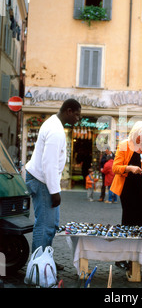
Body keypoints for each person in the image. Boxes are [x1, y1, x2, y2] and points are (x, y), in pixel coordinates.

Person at [25, 99, 81, 258]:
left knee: (52, 224)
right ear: (68, 111)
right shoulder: (55, 130)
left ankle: (45, 260)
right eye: (77, 115)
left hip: (42, 180)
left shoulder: (54, 124)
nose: (78, 119)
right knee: (45, 225)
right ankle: (38, 266)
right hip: (42, 181)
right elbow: (48, 163)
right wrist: (55, 192)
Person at [110, 121, 142, 269]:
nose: (141, 140)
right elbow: (115, 168)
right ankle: (123, 257)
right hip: (127, 188)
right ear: (134, 134)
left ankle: (138, 256)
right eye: (139, 137)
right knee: (128, 221)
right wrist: (129, 168)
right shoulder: (124, 145)